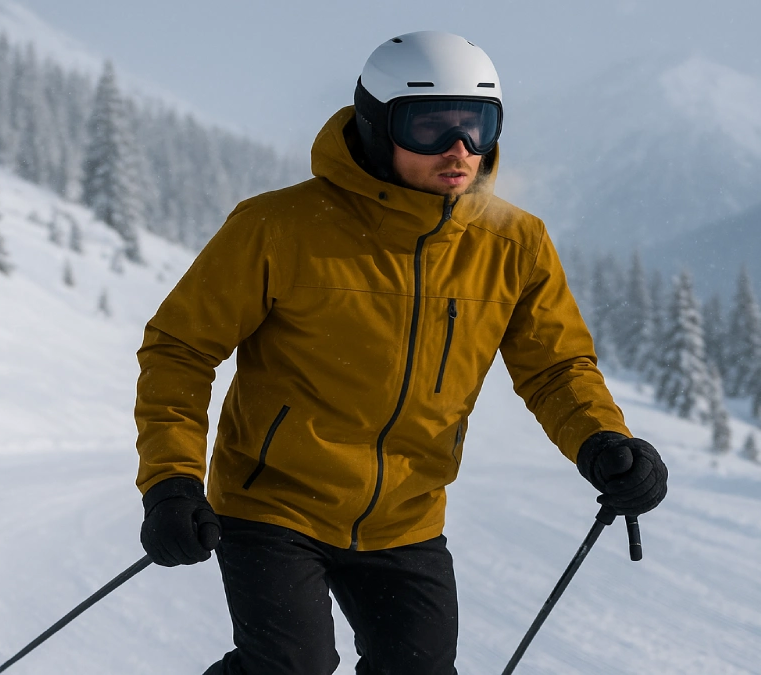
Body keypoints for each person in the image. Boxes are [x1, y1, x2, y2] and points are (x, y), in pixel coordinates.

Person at [134, 31, 668, 675]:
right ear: (377, 125)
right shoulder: (278, 227)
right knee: (289, 666)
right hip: (273, 502)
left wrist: (604, 442)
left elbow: (556, 367)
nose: (459, 149)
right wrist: (170, 481)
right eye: (429, 127)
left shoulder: (514, 243)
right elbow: (181, 349)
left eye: (478, 125)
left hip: (406, 520)